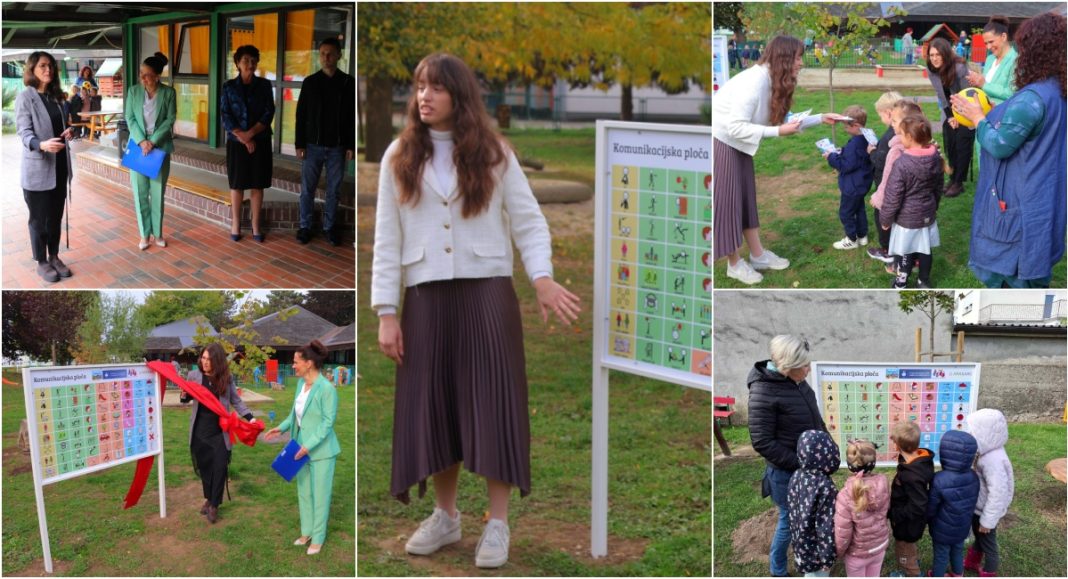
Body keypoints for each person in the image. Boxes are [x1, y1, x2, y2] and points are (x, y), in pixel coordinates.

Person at [371, 53, 581, 569]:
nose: (424, 96)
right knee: (433, 406)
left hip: (488, 294)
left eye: (436, 88)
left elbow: (529, 223)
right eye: (419, 86)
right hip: (424, 300)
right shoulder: (398, 155)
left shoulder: (494, 154)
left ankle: (497, 523)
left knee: (493, 404)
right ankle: (446, 517)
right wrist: (385, 312)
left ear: (459, 96)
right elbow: (386, 240)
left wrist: (543, 277)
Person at [712, 35, 840, 285]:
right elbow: (736, 127)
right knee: (729, 205)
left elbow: (784, 118)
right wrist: (778, 132)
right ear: (784, 58)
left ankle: (758, 255)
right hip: (722, 141)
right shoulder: (754, 83)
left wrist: (822, 117)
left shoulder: (770, 79)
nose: (801, 63)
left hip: (738, 144)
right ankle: (734, 264)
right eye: (798, 57)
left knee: (746, 200)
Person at [952, 11, 1066, 288]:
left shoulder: (1032, 98)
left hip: (1020, 199)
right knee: (1036, 271)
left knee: (1014, 283)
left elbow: (1000, 145)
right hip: (1046, 194)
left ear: (1033, 51)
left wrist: (978, 117)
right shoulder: (1058, 91)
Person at [747, 335, 826, 577]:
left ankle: (810, 559)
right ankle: (778, 570)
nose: (808, 368)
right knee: (789, 522)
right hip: (785, 473)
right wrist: (800, 462)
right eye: (803, 365)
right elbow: (762, 441)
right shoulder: (764, 390)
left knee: (810, 517)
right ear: (787, 366)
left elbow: (815, 418)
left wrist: (827, 445)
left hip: (809, 469)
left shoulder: (799, 383)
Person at [265, 340, 340, 556]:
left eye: (296, 362)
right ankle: (306, 532)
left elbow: (328, 422)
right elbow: (294, 414)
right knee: (304, 493)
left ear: (308, 363)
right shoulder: (300, 385)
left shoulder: (327, 389)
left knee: (320, 494)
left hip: (321, 451)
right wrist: (280, 428)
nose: (293, 365)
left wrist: (308, 446)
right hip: (299, 450)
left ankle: (318, 538)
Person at [180, 343, 256, 524]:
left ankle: (214, 504)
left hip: (220, 432)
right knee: (205, 468)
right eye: (203, 358)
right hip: (200, 431)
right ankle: (208, 498)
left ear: (218, 361)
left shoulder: (226, 378)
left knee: (220, 468)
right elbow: (186, 398)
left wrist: (250, 418)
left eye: (209, 359)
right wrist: (184, 396)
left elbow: (236, 401)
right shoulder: (194, 375)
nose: (205, 362)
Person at [16, 51, 75, 283]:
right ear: (32, 69)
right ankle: (41, 261)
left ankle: (55, 256)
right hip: (38, 170)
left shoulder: (56, 97)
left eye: (50, 65)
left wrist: (68, 130)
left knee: (55, 217)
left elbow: (61, 126)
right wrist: (41, 144)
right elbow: (24, 132)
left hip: (60, 167)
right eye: (42, 65)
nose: (48, 69)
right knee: (39, 219)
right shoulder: (25, 97)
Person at [295, 37, 355, 247]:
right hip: (312, 146)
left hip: (337, 147)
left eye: (330, 53)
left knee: (334, 190)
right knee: (307, 189)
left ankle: (330, 228)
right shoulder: (310, 82)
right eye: (322, 53)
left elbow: (352, 117)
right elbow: (301, 115)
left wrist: (351, 144)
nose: (326, 57)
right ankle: (305, 226)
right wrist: (299, 144)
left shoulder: (348, 83)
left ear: (339, 55)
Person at [879, 114, 944, 289]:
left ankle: (902, 280)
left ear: (909, 137)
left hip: (906, 220)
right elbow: (938, 187)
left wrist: (885, 220)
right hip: (926, 216)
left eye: (900, 134)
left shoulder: (902, 164)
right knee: (925, 249)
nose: (899, 137)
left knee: (905, 250)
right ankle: (924, 281)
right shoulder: (935, 158)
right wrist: (933, 206)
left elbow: (893, 196)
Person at [221, 44, 274, 242]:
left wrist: (250, 134)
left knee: (257, 184)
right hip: (236, 142)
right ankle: (235, 223)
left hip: (259, 140)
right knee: (237, 184)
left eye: (253, 60)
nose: (250, 64)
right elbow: (225, 115)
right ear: (237, 63)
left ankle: (255, 224)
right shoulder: (228, 87)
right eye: (245, 60)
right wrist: (242, 137)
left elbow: (269, 112)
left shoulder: (264, 85)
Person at [125, 52, 176, 251]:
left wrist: (152, 141)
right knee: (140, 193)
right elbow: (130, 118)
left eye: (147, 74)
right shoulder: (133, 92)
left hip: (159, 147)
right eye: (141, 74)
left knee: (157, 193)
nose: (143, 78)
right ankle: (144, 234)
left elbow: (169, 119)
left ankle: (158, 233)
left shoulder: (169, 93)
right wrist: (142, 141)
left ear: (157, 76)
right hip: (138, 148)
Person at [963, 409, 1014, 577]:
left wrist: (988, 521)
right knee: (980, 537)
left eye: (973, 431)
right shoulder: (987, 452)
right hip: (979, 508)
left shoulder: (992, 460)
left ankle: (989, 571)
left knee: (989, 543)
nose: (970, 434)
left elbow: (998, 493)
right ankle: (972, 562)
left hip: (985, 512)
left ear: (984, 434)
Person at [927, 430, 980, 578]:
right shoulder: (974, 476)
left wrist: (927, 518)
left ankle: (937, 575)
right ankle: (958, 574)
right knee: (957, 550)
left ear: (944, 453)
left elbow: (932, 506)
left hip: (942, 529)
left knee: (941, 555)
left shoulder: (938, 479)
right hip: (963, 526)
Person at [834, 439, 891, 577]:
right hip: (879, 548)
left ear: (849, 465)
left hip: (857, 555)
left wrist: (839, 552)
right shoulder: (885, 485)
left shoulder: (845, 495)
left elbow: (843, 532)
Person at [786, 430, 840, 577]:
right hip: (817, 553)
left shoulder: (796, 475)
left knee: (809, 574)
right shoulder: (825, 486)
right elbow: (826, 526)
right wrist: (827, 558)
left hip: (800, 544)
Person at [926, 37, 974, 198]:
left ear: (946, 54)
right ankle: (952, 178)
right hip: (949, 110)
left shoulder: (960, 68)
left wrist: (959, 118)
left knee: (962, 146)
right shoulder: (932, 70)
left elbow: (967, 96)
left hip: (967, 112)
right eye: (931, 55)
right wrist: (950, 117)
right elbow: (941, 95)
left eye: (938, 55)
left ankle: (959, 182)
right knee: (950, 146)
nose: (934, 58)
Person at [887, 421, 934, 577]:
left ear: (897, 447)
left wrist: (896, 514)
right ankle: (911, 560)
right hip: (912, 523)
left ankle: (911, 571)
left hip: (907, 525)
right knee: (909, 548)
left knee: (904, 550)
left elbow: (918, 506)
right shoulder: (919, 459)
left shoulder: (912, 476)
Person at [824, 105, 874, 251]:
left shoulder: (855, 144)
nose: (845, 129)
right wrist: (842, 151)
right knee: (859, 209)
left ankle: (851, 239)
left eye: (846, 126)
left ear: (856, 125)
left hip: (852, 186)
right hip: (862, 183)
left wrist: (831, 156)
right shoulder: (866, 136)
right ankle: (862, 235)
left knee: (846, 212)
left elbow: (846, 166)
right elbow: (856, 159)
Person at [865, 91, 903, 265]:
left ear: (888, 113)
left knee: (882, 216)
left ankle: (887, 249)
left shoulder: (890, 135)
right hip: (898, 185)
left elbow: (881, 162)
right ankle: (900, 249)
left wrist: (872, 152)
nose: (881, 118)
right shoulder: (902, 131)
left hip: (885, 185)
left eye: (880, 115)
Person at [966, 17, 1018, 106]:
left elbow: (1012, 94)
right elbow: (985, 89)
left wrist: (984, 84)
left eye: (991, 42)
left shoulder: (1016, 60)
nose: (988, 47)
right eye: (986, 43)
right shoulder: (990, 59)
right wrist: (976, 82)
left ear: (1003, 37)